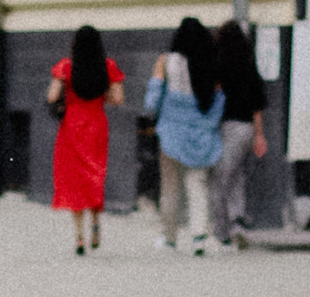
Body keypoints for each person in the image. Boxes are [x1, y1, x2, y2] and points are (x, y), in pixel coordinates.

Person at [142, 18, 225, 254]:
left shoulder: (165, 61)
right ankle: (199, 237)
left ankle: (169, 238)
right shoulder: (211, 63)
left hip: (170, 135)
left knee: (170, 188)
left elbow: (152, 99)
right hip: (201, 136)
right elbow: (219, 102)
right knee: (197, 186)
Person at [47, 24, 123, 255]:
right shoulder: (108, 67)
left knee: (74, 180)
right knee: (95, 175)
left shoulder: (66, 67)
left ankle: (79, 237)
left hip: (72, 125)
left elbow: (51, 95)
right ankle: (96, 223)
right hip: (97, 124)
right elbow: (118, 98)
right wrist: (101, 97)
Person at [213, 19, 269, 248]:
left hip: (224, 126)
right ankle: (237, 220)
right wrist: (259, 135)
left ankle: (222, 228)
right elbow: (257, 107)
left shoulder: (218, 66)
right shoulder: (249, 68)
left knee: (221, 178)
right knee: (237, 176)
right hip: (246, 128)